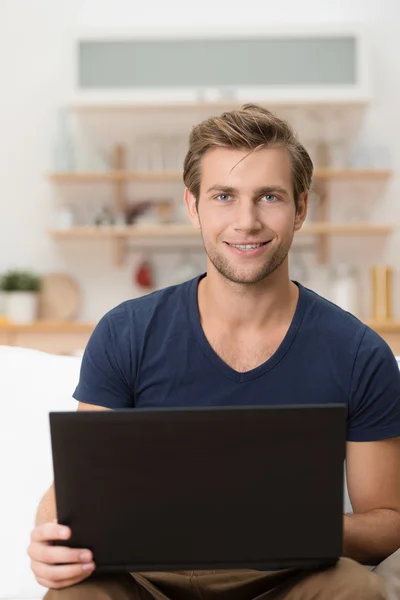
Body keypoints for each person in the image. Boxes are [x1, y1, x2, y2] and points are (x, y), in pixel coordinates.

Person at [28, 104, 400, 599]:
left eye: (269, 196)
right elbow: (78, 489)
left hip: (290, 576)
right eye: (224, 196)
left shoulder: (358, 352)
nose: (245, 221)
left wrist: (287, 525)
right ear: (193, 205)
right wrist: (51, 540)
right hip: (148, 576)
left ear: (302, 207)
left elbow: (388, 523)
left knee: (357, 590)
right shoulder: (127, 332)